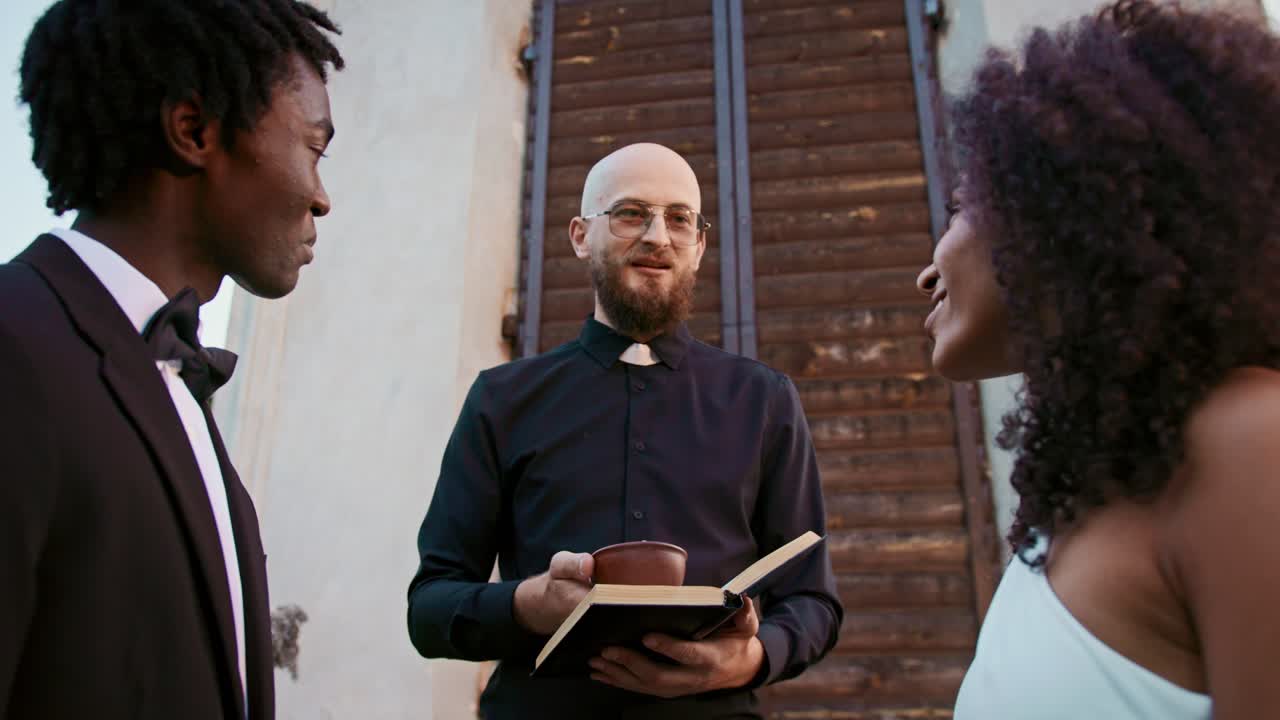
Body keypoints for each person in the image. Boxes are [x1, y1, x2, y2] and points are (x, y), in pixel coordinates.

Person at [914, 2, 1280, 717]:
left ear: (1059, 209)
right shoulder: (1090, 487)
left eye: (963, 202)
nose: (926, 274)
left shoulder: (1248, 439)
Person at [407, 143, 842, 719]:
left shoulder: (765, 401)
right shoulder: (501, 399)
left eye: (679, 219)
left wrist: (748, 659)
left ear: (699, 245)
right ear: (581, 235)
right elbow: (430, 609)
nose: (658, 236)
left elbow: (813, 600)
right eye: (631, 213)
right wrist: (525, 604)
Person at [0, 2, 343, 718]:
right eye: (314, 147)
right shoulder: (15, 345)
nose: (321, 196)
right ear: (194, 131)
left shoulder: (176, 385)